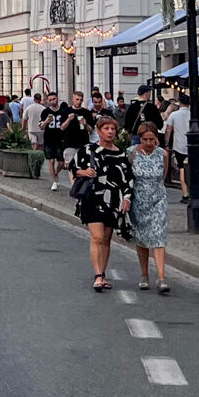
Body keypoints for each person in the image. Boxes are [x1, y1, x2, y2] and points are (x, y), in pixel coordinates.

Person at [70, 114, 134, 292]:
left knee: (106, 239)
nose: (110, 132)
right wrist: (84, 172)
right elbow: (73, 168)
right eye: (106, 129)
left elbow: (127, 179)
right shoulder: (88, 150)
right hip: (92, 197)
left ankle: (103, 273)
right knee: (97, 237)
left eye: (113, 129)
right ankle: (98, 275)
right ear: (99, 131)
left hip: (113, 200)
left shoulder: (121, 153)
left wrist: (127, 197)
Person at [127, 121, 172, 293]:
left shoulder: (163, 154)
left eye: (152, 139)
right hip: (139, 200)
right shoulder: (131, 153)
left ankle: (161, 277)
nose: (148, 143)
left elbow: (163, 175)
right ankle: (144, 274)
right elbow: (128, 177)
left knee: (159, 237)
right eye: (145, 139)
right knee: (143, 237)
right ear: (140, 138)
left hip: (158, 199)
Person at [163, 95, 193, 201]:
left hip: (179, 146)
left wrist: (166, 144)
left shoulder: (174, 115)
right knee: (193, 169)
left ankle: (185, 194)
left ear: (179, 102)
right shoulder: (193, 115)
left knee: (182, 169)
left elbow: (168, 130)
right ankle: (193, 192)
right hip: (193, 146)